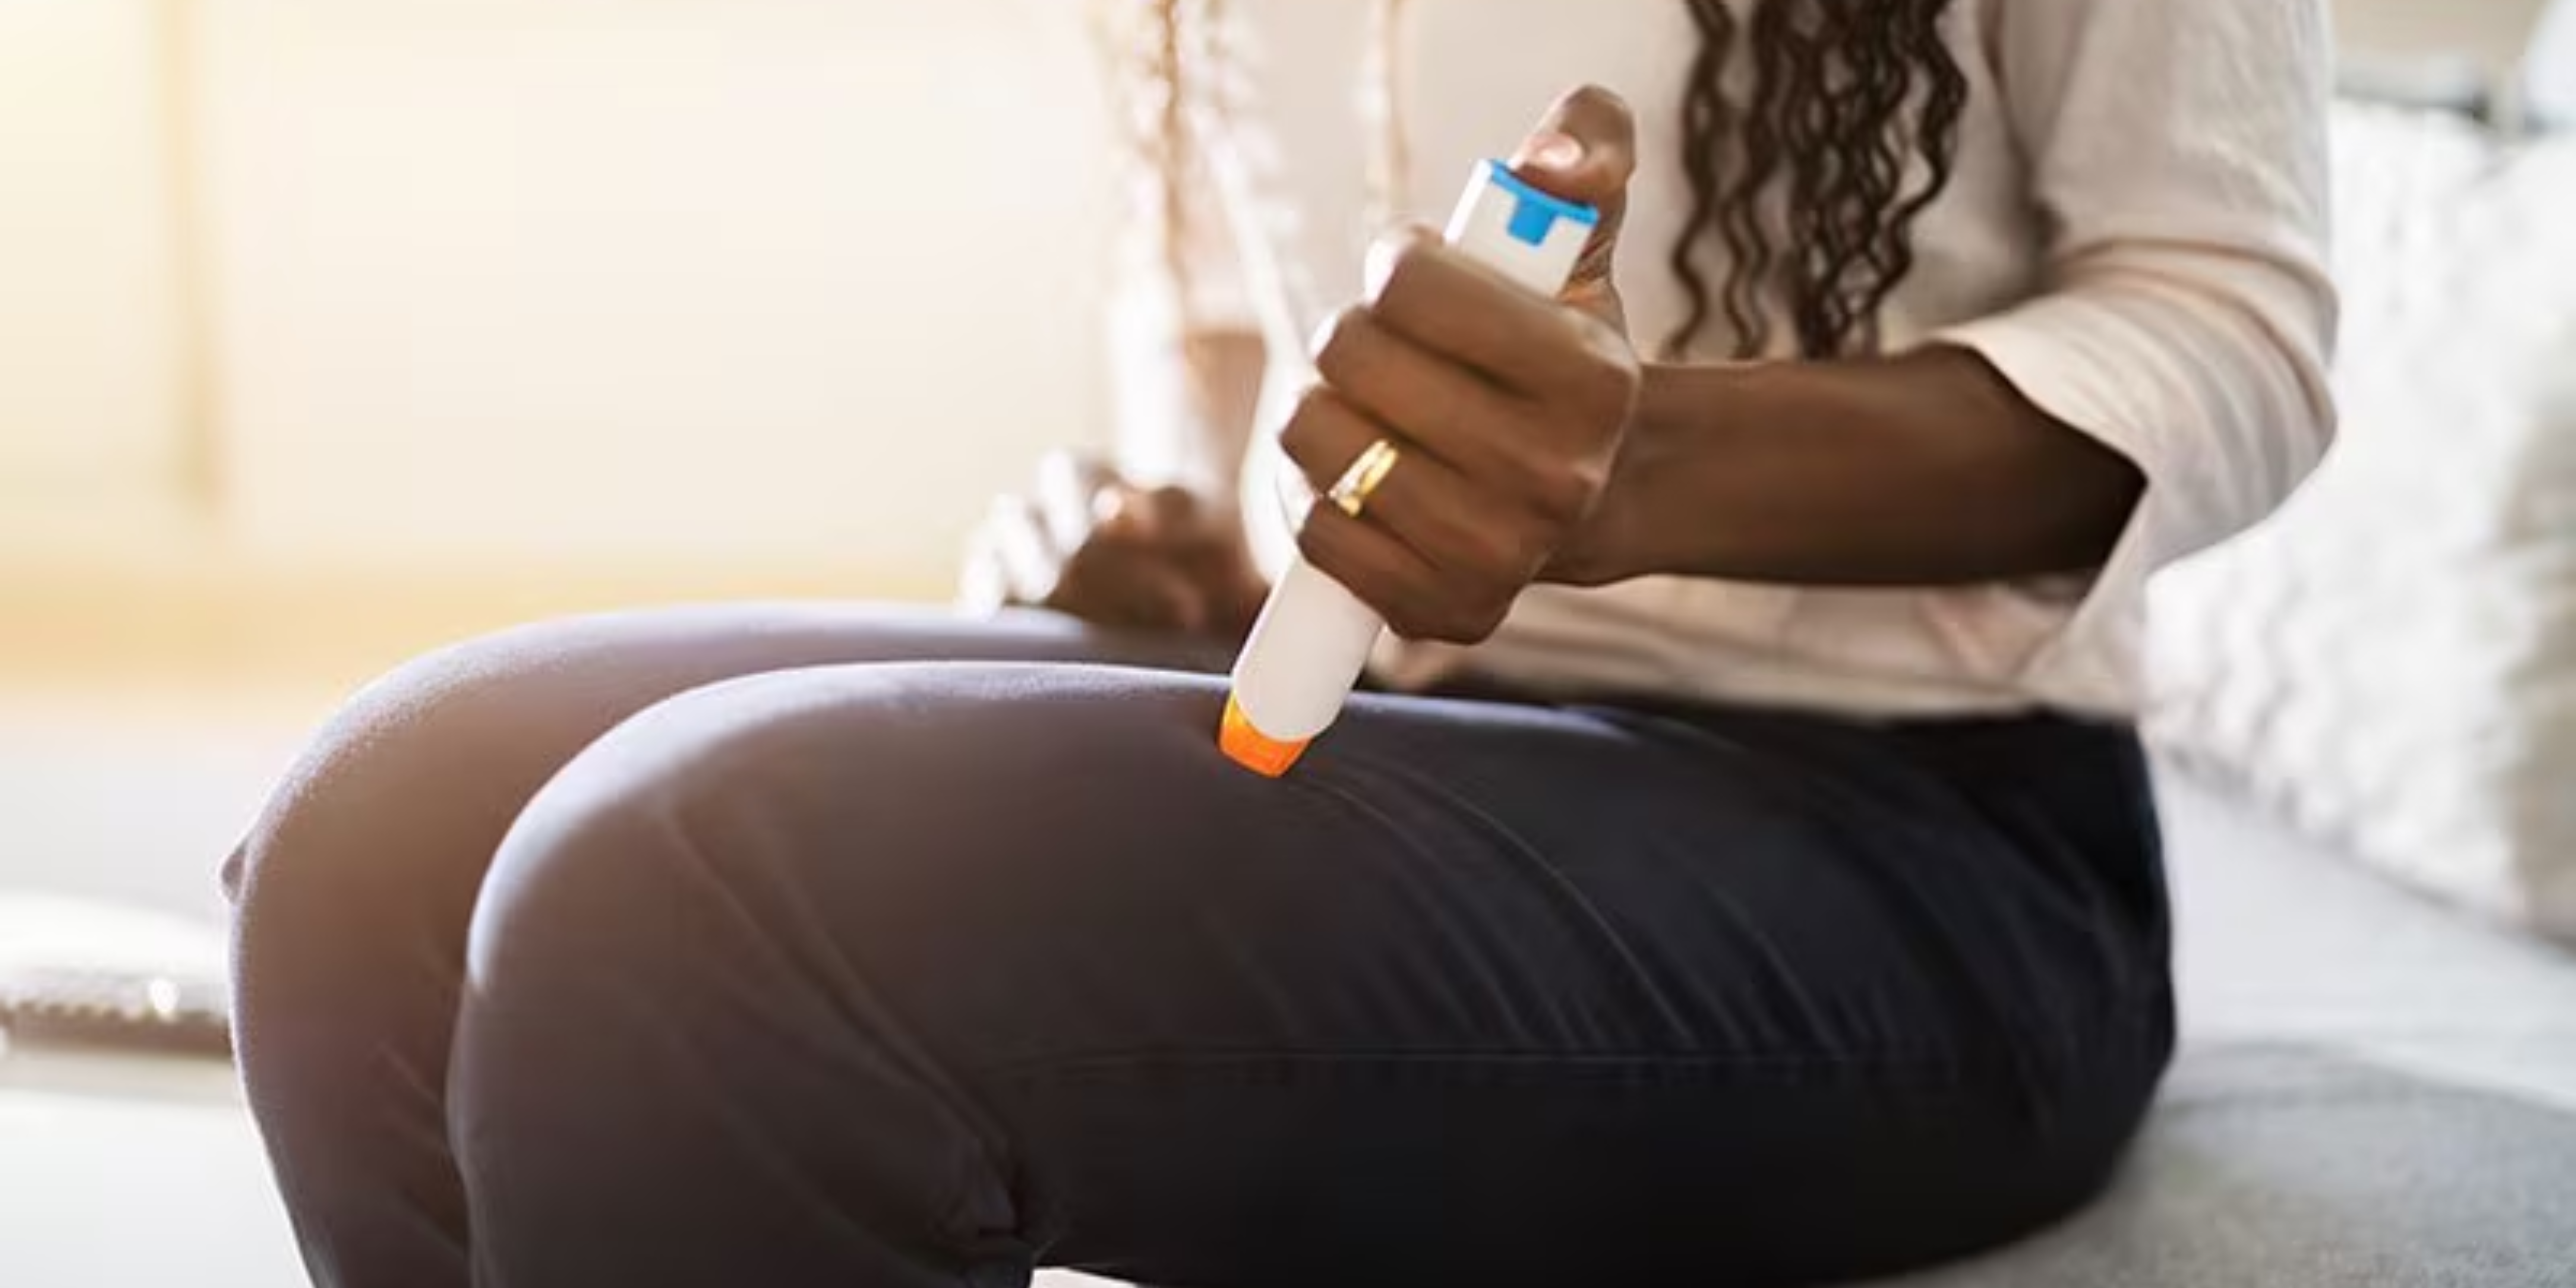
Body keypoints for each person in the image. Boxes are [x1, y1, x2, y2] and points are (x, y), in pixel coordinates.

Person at [224, 1, 2336, 1284]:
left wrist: (1650, 467)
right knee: (387, 832)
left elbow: (2237, 331)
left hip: (1919, 843)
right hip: (1360, 700)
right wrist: (1164, 529)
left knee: (690, 897)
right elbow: (1238, 328)